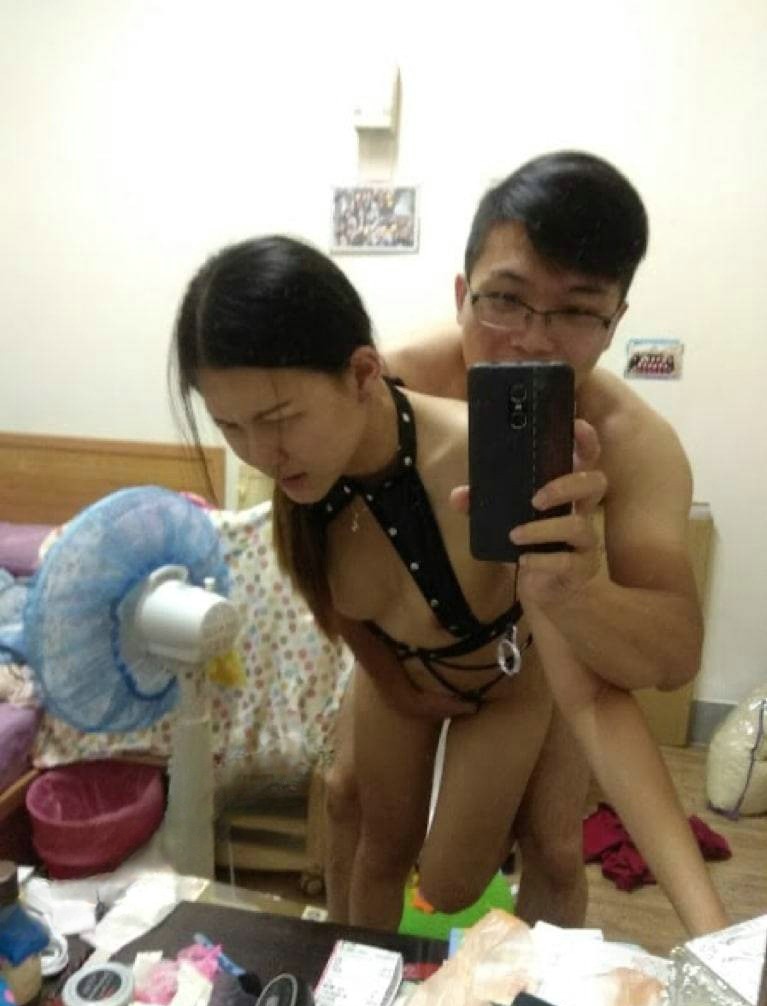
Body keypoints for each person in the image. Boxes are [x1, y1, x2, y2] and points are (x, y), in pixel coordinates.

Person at [171, 232, 727, 938]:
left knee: (452, 883)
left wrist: (711, 929)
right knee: (376, 844)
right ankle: (350, 977)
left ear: (363, 373)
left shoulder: (488, 459)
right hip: (401, 674)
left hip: (508, 681)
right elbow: (341, 612)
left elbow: (602, 691)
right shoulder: (306, 482)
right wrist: (395, 684)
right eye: (230, 426)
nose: (259, 453)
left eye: (278, 421)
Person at [324, 150, 727, 933]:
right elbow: (325, 551)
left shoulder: (632, 444)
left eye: (576, 311)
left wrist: (585, 588)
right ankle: (337, 965)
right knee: (346, 796)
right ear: (460, 295)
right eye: (505, 300)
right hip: (405, 638)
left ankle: (542, 986)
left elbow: (673, 652)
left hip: (535, 650)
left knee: (553, 843)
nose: (532, 341)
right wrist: (389, 677)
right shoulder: (391, 391)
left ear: (614, 322)